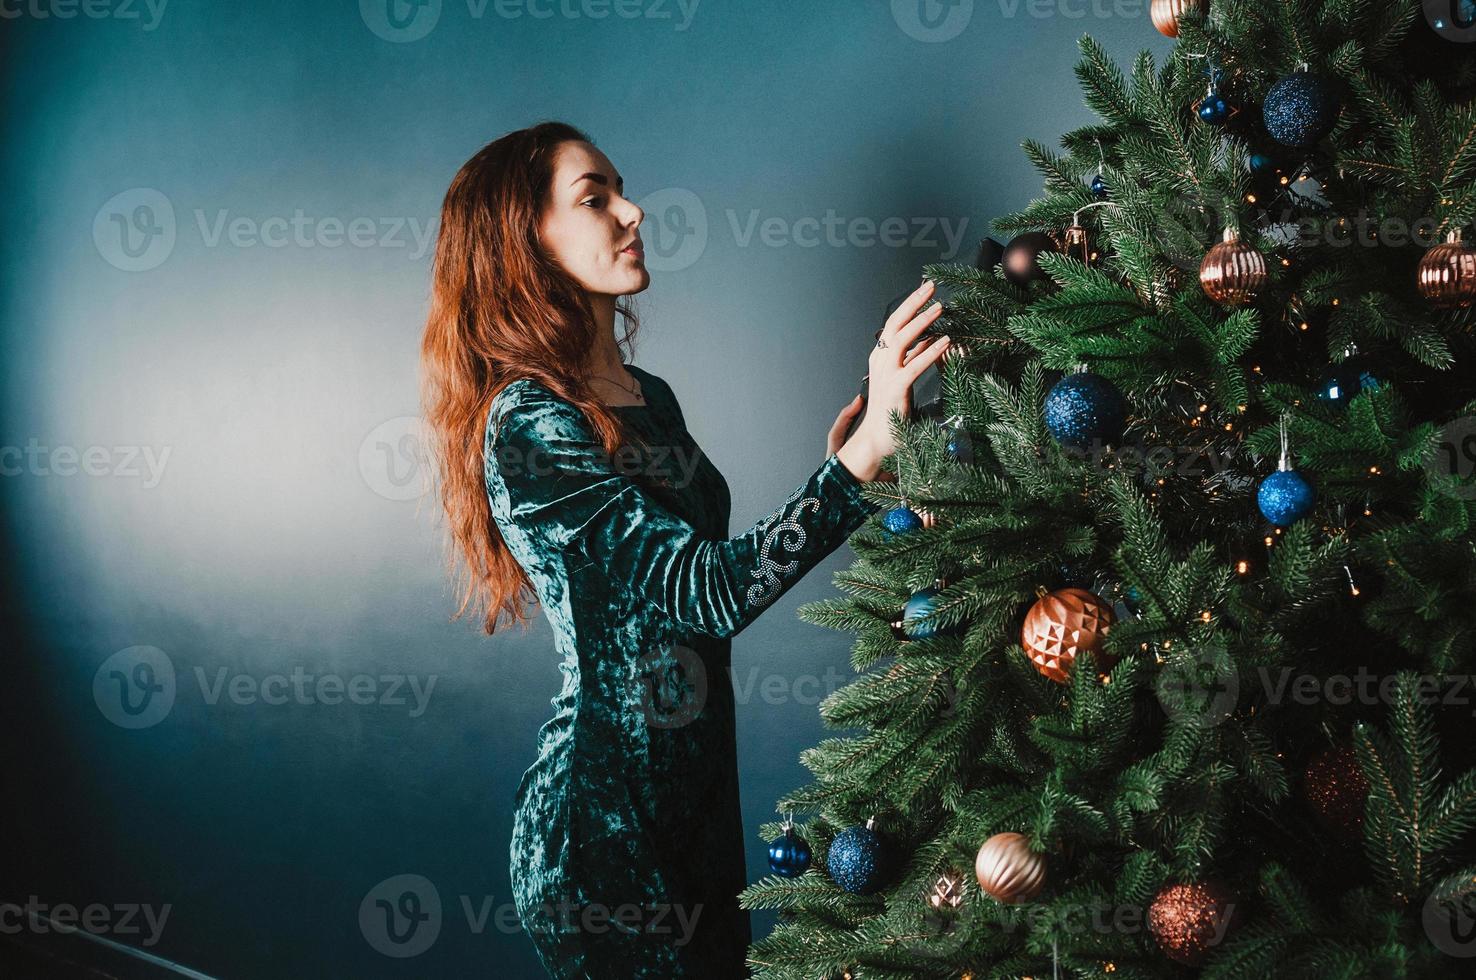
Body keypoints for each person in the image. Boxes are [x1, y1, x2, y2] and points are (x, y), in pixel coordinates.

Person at [419, 120, 951, 978]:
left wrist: (851, 468)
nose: (632, 211)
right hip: (601, 830)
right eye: (595, 199)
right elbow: (707, 592)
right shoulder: (527, 425)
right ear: (525, 242)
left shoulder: (644, 395)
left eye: (621, 190)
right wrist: (856, 467)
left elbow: (698, 570)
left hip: (699, 808)